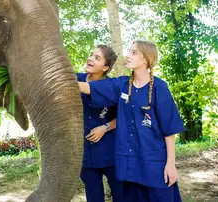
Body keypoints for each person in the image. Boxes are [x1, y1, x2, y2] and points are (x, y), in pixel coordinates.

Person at [78, 40, 185, 202]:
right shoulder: (121, 84)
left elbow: (169, 131)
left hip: (154, 165)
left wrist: (171, 164)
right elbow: (90, 88)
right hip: (129, 167)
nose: (127, 55)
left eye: (133, 52)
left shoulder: (160, 88)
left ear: (145, 60)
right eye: (129, 51)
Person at [76, 44, 123, 202]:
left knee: (120, 194)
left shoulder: (113, 87)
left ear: (106, 67)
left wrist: (105, 127)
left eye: (97, 58)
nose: (90, 59)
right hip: (85, 152)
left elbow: (123, 117)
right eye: (91, 55)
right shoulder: (76, 79)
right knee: (94, 196)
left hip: (110, 149)